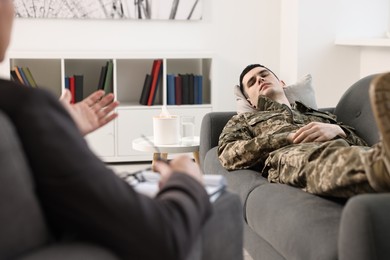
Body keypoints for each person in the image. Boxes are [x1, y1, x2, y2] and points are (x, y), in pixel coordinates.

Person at [0, 1, 243, 259]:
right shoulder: (27, 107)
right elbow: (161, 235)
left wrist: (58, 130)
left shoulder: (19, 110)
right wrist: (185, 179)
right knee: (222, 200)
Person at [218, 63, 390, 198]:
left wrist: (337, 130)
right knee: (314, 158)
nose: (260, 80)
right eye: (252, 82)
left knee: (363, 151)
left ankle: (381, 163)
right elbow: (228, 154)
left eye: (264, 75)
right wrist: (288, 138)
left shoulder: (320, 114)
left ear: (282, 83)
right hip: (291, 155)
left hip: (348, 148)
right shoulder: (244, 120)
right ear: (250, 102)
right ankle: (377, 168)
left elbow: (362, 143)